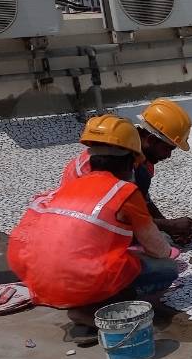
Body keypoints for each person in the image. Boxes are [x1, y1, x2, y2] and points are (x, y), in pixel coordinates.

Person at [9, 115, 180, 346]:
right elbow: (159, 250)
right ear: (131, 160)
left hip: (35, 279)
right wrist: (161, 245)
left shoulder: (67, 186)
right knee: (166, 268)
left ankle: (79, 300)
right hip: (76, 279)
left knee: (106, 251)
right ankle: (95, 309)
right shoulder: (124, 192)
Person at [60, 98, 192, 245]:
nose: (168, 156)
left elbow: (141, 200)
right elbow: (114, 218)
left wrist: (169, 227)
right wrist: (167, 226)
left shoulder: (138, 159)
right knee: (161, 265)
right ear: (150, 140)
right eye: (168, 149)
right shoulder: (116, 163)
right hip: (81, 230)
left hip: (92, 218)